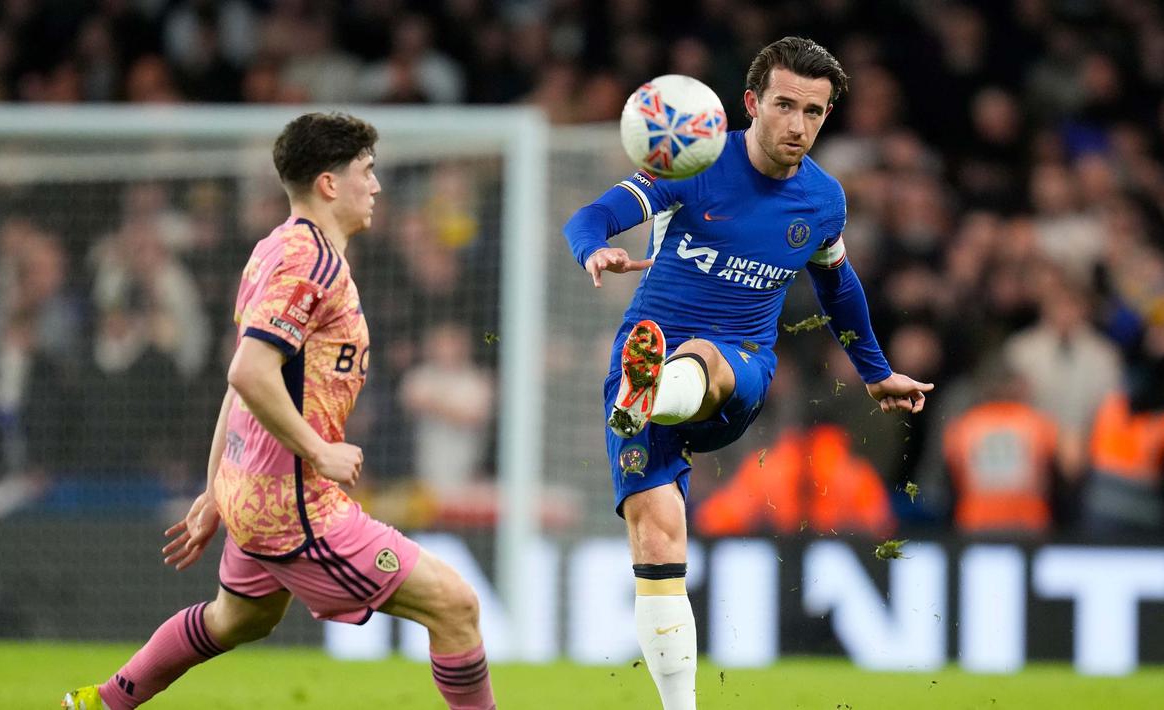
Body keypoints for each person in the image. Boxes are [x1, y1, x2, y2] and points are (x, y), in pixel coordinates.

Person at [63, 113, 496, 710]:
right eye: (367, 171)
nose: (376, 186)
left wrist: (217, 486)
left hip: (254, 489)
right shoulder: (311, 264)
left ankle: (100, 702)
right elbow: (248, 372)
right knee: (456, 605)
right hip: (295, 505)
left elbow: (244, 376)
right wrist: (320, 451)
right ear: (329, 183)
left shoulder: (274, 248)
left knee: (237, 619)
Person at [562, 37, 933, 710]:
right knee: (656, 534)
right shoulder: (692, 161)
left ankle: (652, 390)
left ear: (826, 116)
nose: (798, 125)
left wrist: (876, 372)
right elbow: (591, 217)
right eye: (785, 105)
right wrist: (594, 250)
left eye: (813, 112)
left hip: (739, 364)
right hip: (641, 358)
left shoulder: (822, 201)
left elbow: (838, 287)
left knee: (702, 357)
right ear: (751, 102)